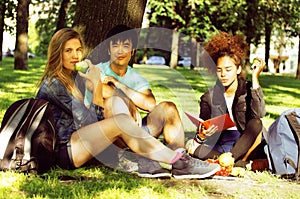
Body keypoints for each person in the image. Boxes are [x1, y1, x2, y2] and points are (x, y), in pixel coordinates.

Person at [35, 27, 220, 179]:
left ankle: (176, 160)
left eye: (77, 50)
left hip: (83, 143)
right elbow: (89, 121)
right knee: (121, 121)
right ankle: (180, 162)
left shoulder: (74, 77)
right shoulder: (54, 84)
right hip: (65, 150)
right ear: (58, 53)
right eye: (68, 51)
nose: (75, 55)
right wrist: (97, 85)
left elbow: (94, 119)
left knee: (123, 120)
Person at [84, 25, 186, 176]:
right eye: (115, 45)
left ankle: (180, 160)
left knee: (168, 108)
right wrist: (128, 102)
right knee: (111, 103)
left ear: (132, 51)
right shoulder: (96, 70)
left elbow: (150, 104)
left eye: (126, 46)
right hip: (107, 134)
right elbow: (100, 90)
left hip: (136, 132)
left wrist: (119, 85)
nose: (120, 51)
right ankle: (138, 156)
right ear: (108, 50)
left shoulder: (137, 78)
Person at [186, 32, 268, 171]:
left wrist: (255, 78)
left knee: (256, 123)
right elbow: (204, 129)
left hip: (246, 142)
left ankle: (228, 159)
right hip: (223, 142)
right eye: (219, 70)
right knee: (192, 147)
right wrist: (203, 133)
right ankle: (239, 164)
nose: (223, 74)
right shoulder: (208, 98)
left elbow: (259, 113)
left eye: (228, 69)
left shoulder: (249, 90)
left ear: (238, 69)